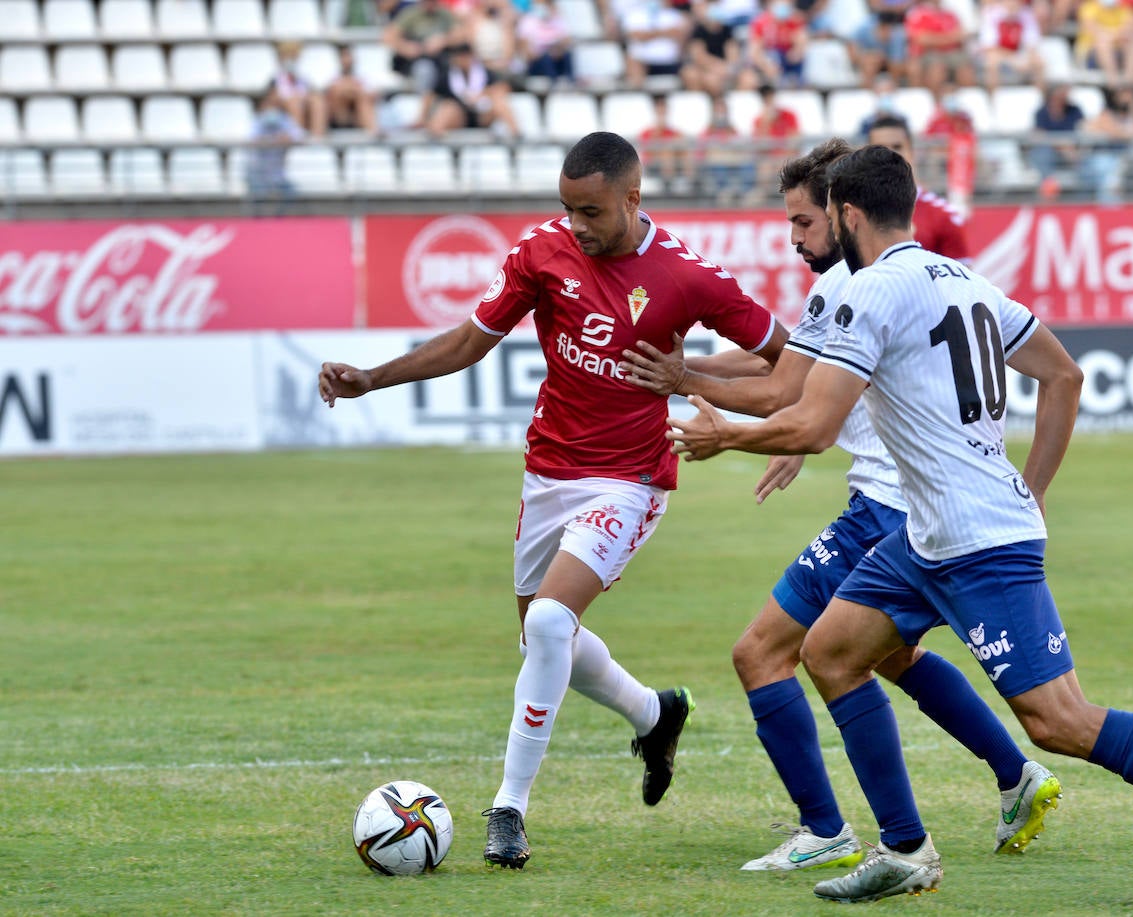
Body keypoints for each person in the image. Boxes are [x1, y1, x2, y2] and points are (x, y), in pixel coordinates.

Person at [663, 143, 1133, 910]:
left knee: (1058, 721)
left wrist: (724, 434)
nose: (818, 231)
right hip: (927, 533)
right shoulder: (964, 280)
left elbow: (815, 424)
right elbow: (1063, 374)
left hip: (978, 540)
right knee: (829, 651)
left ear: (849, 214)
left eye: (823, 216)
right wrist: (1034, 489)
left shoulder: (872, 292)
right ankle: (905, 849)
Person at [317, 131, 788, 870]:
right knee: (544, 640)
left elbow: (789, 361)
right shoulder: (541, 252)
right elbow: (471, 341)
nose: (577, 224)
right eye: (567, 208)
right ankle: (653, 713)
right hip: (548, 472)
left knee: (547, 619)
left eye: (592, 211)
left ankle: (509, 807)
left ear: (632, 199)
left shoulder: (689, 279)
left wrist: (716, 392)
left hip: (630, 478)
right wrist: (372, 378)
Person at [619, 138, 1062, 871]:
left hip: (888, 508)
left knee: (761, 652)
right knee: (889, 656)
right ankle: (1015, 775)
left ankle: (827, 827)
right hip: (915, 502)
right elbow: (788, 362)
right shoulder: (856, 286)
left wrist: (693, 390)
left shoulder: (852, 287)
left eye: (803, 223)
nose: (795, 240)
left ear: (842, 212)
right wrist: (693, 372)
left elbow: (780, 389)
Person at [865, 114, 970, 262]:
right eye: (880, 149)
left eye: (897, 147)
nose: (890, 156)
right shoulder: (853, 215)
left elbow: (960, 282)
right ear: (866, 156)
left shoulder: (944, 216)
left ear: (912, 152)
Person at [425, 43, 521, 138]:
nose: (463, 60)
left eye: (466, 57)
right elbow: (431, 95)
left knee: (499, 102)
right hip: (459, 116)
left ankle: (516, 134)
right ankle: (438, 137)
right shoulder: (446, 76)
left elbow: (502, 87)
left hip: (481, 114)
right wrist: (421, 118)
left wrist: (482, 94)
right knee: (448, 108)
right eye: (460, 57)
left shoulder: (485, 73)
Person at [245, 81, 304, 214]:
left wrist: (287, 138)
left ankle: (280, 225)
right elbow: (251, 140)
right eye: (273, 96)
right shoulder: (258, 120)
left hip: (279, 177)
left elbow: (299, 136)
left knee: (292, 194)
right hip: (259, 176)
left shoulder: (284, 119)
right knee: (257, 197)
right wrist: (272, 140)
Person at [323, 46, 380, 136]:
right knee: (340, 93)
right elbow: (333, 92)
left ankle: (373, 131)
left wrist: (352, 90)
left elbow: (373, 94)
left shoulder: (362, 77)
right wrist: (352, 90)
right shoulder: (330, 75)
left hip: (356, 116)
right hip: (338, 116)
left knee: (363, 100)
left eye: (349, 56)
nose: (347, 60)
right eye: (344, 56)